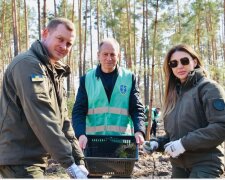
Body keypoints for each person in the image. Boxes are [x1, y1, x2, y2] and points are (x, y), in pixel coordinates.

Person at [0, 18, 88, 178]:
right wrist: (69, 164)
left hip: (33, 159)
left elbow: (64, 123)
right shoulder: (28, 65)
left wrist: (78, 161)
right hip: (20, 159)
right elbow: (42, 116)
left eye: (69, 44)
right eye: (60, 39)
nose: (64, 47)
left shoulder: (53, 72)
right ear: (45, 33)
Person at [143, 44, 225, 178]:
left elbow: (221, 126)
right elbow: (173, 136)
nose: (179, 66)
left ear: (195, 61)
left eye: (184, 61)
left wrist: (183, 144)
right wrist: (157, 143)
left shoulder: (209, 88)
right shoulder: (174, 95)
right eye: (174, 63)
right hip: (178, 167)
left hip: (205, 164)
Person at [72, 38, 145, 150]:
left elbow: (137, 109)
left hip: (122, 142)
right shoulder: (87, 79)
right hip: (92, 142)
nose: (109, 58)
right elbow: (78, 111)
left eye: (113, 54)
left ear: (118, 56)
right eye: (105, 54)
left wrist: (139, 131)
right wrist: (80, 134)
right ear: (98, 55)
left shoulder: (129, 78)